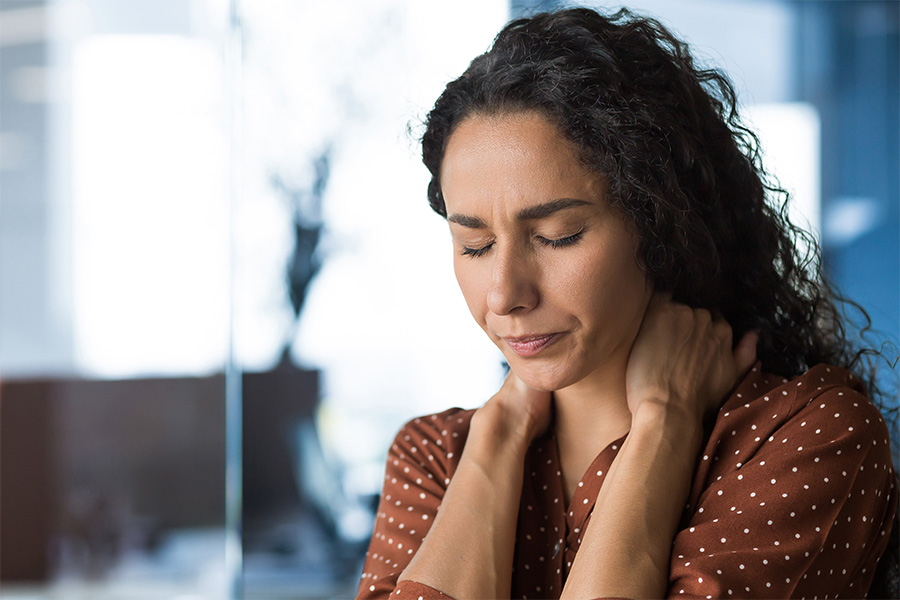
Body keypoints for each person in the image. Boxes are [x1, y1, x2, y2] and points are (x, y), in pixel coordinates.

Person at [356, 7, 897, 599]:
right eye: (475, 245)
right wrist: (500, 434)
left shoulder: (802, 438)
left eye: (558, 235)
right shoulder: (434, 457)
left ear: (661, 223)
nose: (505, 295)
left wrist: (664, 424)